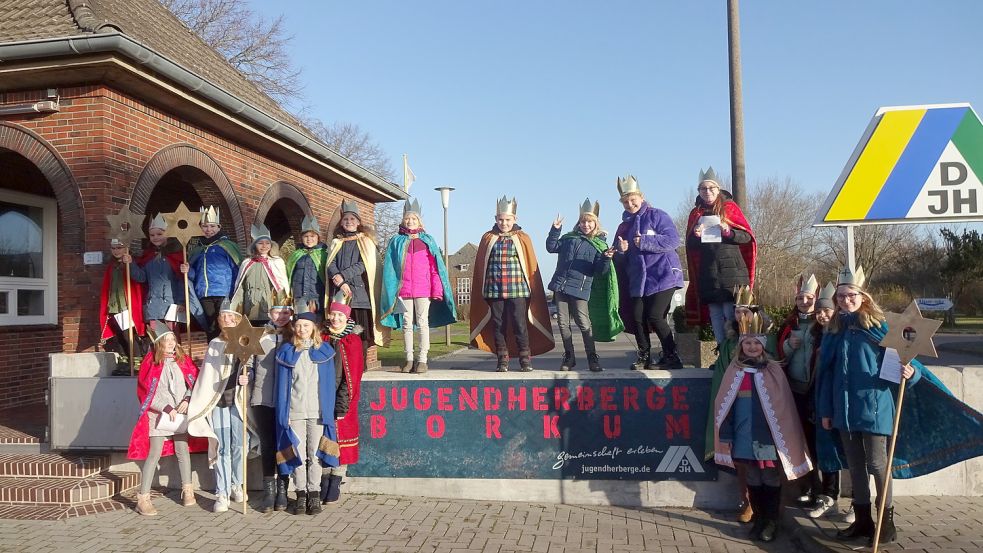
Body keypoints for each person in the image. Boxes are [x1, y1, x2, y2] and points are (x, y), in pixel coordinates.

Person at [816, 265, 919, 545]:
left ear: (863, 296)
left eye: (851, 295)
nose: (845, 300)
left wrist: (912, 373)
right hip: (843, 410)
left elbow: (909, 357)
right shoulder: (834, 329)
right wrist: (826, 410)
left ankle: (886, 523)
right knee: (855, 466)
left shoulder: (879, 326)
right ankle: (862, 522)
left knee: (877, 464)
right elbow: (826, 373)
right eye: (841, 297)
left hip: (874, 406)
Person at [713, 311, 812, 542]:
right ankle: (758, 518)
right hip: (743, 434)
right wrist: (726, 434)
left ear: (763, 345)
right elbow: (725, 405)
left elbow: (783, 407)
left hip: (768, 437)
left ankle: (771, 522)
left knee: (770, 477)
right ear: (741, 345)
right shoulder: (734, 370)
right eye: (747, 342)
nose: (751, 347)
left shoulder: (773, 369)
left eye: (756, 343)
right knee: (753, 477)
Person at [702, 286, 774, 524]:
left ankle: (767, 513)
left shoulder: (765, 339)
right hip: (737, 406)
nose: (741, 316)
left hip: (762, 411)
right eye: (737, 312)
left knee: (765, 463)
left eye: (746, 311)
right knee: (741, 457)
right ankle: (746, 501)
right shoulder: (729, 341)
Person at [776, 275, 843, 518]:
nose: (804, 302)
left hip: (819, 392)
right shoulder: (789, 324)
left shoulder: (825, 328)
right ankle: (812, 488)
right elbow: (779, 356)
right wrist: (790, 346)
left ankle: (829, 492)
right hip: (796, 390)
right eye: (800, 298)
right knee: (804, 442)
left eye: (808, 298)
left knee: (823, 442)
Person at [127, 321, 208, 516]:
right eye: (167, 340)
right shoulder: (151, 362)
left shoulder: (183, 360)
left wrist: (188, 399)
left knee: (182, 451)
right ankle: (143, 498)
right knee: (154, 454)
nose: (171, 343)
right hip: (158, 416)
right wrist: (165, 407)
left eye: (173, 339)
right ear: (159, 342)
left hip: (180, 414)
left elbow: (194, 382)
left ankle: (187, 490)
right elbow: (147, 391)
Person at [470, 196, 554, 372]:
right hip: (494, 289)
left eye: (507, 220)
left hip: (518, 289)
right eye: (500, 219)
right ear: (495, 219)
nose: (504, 223)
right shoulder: (488, 237)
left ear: (515, 219)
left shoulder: (523, 237)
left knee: (519, 323)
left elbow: (529, 264)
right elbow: (481, 265)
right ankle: (502, 358)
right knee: (498, 324)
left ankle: (525, 358)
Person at [612, 175, 684, 370]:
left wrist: (644, 241)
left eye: (632, 199)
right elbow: (619, 258)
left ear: (641, 197)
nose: (629, 204)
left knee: (655, 316)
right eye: (625, 201)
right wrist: (621, 250)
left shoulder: (657, 215)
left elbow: (673, 240)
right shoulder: (624, 226)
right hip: (638, 280)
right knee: (637, 318)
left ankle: (671, 355)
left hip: (663, 275)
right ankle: (644, 356)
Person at [185, 301, 251, 513]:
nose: (229, 321)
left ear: (238, 320)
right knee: (222, 447)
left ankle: (236, 484)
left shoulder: (247, 342)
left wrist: (246, 377)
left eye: (232, 317)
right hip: (220, 402)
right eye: (225, 318)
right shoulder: (215, 343)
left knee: (240, 445)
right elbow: (208, 376)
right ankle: (221, 492)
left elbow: (253, 370)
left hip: (239, 402)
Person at [274, 309, 339, 515]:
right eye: (299, 325)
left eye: (306, 326)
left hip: (318, 412)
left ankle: (314, 493)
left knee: (315, 454)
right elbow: (282, 387)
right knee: (298, 455)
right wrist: (284, 415)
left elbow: (328, 385)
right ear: (294, 328)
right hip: (295, 412)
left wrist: (329, 413)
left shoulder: (324, 351)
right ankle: (301, 493)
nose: (302, 329)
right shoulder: (287, 351)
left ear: (314, 329)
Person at [379, 199, 456, 373]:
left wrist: (436, 289)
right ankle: (408, 359)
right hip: (403, 290)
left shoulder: (428, 241)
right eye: (408, 219)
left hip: (423, 290)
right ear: (403, 220)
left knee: (422, 323)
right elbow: (390, 267)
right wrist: (393, 290)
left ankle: (422, 359)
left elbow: (436, 268)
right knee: (406, 324)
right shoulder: (396, 241)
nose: (410, 222)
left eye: (414, 219)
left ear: (419, 221)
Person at [545, 198, 620, 372]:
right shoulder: (569, 239)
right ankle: (569, 357)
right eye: (583, 221)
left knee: (584, 324)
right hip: (560, 286)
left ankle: (592, 357)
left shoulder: (600, 245)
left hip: (580, 289)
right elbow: (551, 247)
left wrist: (606, 258)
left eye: (589, 222)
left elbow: (600, 271)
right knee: (563, 324)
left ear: (595, 224)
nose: (586, 225)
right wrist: (555, 230)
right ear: (579, 223)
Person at [684, 167, 756, 346]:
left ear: (718, 189)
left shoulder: (730, 208)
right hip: (708, 272)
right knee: (715, 315)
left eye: (711, 188)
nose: (707, 192)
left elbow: (746, 237)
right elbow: (690, 246)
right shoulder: (696, 213)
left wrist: (728, 232)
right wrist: (695, 235)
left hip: (732, 270)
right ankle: (722, 352)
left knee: (731, 312)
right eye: (703, 189)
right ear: (699, 191)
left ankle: (737, 351)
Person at [320, 296, 365, 504]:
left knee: (342, 439)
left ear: (347, 318)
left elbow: (353, 375)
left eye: (340, 315)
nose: (336, 318)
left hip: (344, 398)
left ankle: (336, 479)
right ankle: (324, 479)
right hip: (322, 397)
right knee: (325, 438)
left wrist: (343, 402)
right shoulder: (322, 338)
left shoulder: (352, 341)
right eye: (334, 314)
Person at [326, 198, 384, 356]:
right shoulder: (337, 242)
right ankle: (341, 366)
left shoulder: (366, 241)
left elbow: (363, 264)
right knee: (339, 329)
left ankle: (360, 364)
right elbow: (330, 262)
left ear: (358, 222)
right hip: (339, 294)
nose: (349, 221)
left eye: (352, 219)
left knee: (359, 332)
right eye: (345, 219)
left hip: (359, 295)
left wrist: (343, 276)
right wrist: (337, 277)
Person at [254, 292, 294, 512]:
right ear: (269, 313)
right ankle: (269, 491)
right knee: (268, 445)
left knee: (284, 444)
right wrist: (245, 376)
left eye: (285, 312)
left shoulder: (296, 335)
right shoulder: (259, 335)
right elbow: (248, 362)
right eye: (277, 311)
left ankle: (283, 490)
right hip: (262, 397)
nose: (280, 316)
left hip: (287, 399)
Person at [136, 214, 205, 337]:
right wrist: (130, 263)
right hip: (153, 305)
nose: (155, 237)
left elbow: (183, 280)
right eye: (152, 235)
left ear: (167, 234)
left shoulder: (177, 255)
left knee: (172, 338)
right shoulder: (148, 256)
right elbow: (141, 278)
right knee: (156, 339)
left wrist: (181, 301)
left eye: (159, 234)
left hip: (172, 304)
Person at [185, 206, 242, 341]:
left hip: (223, 293)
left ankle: (230, 354)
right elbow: (195, 275)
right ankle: (213, 353)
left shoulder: (228, 246)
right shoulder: (198, 249)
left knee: (226, 324)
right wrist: (188, 271)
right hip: (204, 293)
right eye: (205, 226)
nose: (208, 230)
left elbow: (237, 270)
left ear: (219, 227)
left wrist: (235, 292)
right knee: (211, 326)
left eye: (212, 226)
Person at [99, 238, 147, 364]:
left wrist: (130, 264)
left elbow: (141, 278)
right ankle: (124, 360)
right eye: (113, 248)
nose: (116, 251)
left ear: (126, 248)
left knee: (129, 335)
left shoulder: (133, 263)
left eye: (119, 247)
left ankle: (136, 360)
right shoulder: (112, 266)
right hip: (114, 306)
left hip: (127, 306)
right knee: (119, 336)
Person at [230, 223, 288, 325]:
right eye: (260, 243)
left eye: (267, 243)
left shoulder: (276, 262)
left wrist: (282, 308)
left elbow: (281, 287)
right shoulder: (247, 263)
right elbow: (240, 287)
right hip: (249, 306)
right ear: (254, 245)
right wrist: (235, 307)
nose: (264, 246)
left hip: (268, 306)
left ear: (271, 245)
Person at [286, 216, 327, 313]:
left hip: (317, 297)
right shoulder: (296, 255)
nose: (309, 239)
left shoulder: (324, 254)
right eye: (306, 236)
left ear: (318, 237)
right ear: (301, 238)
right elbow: (288, 275)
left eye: (312, 236)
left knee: (316, 325)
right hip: (299, 297)